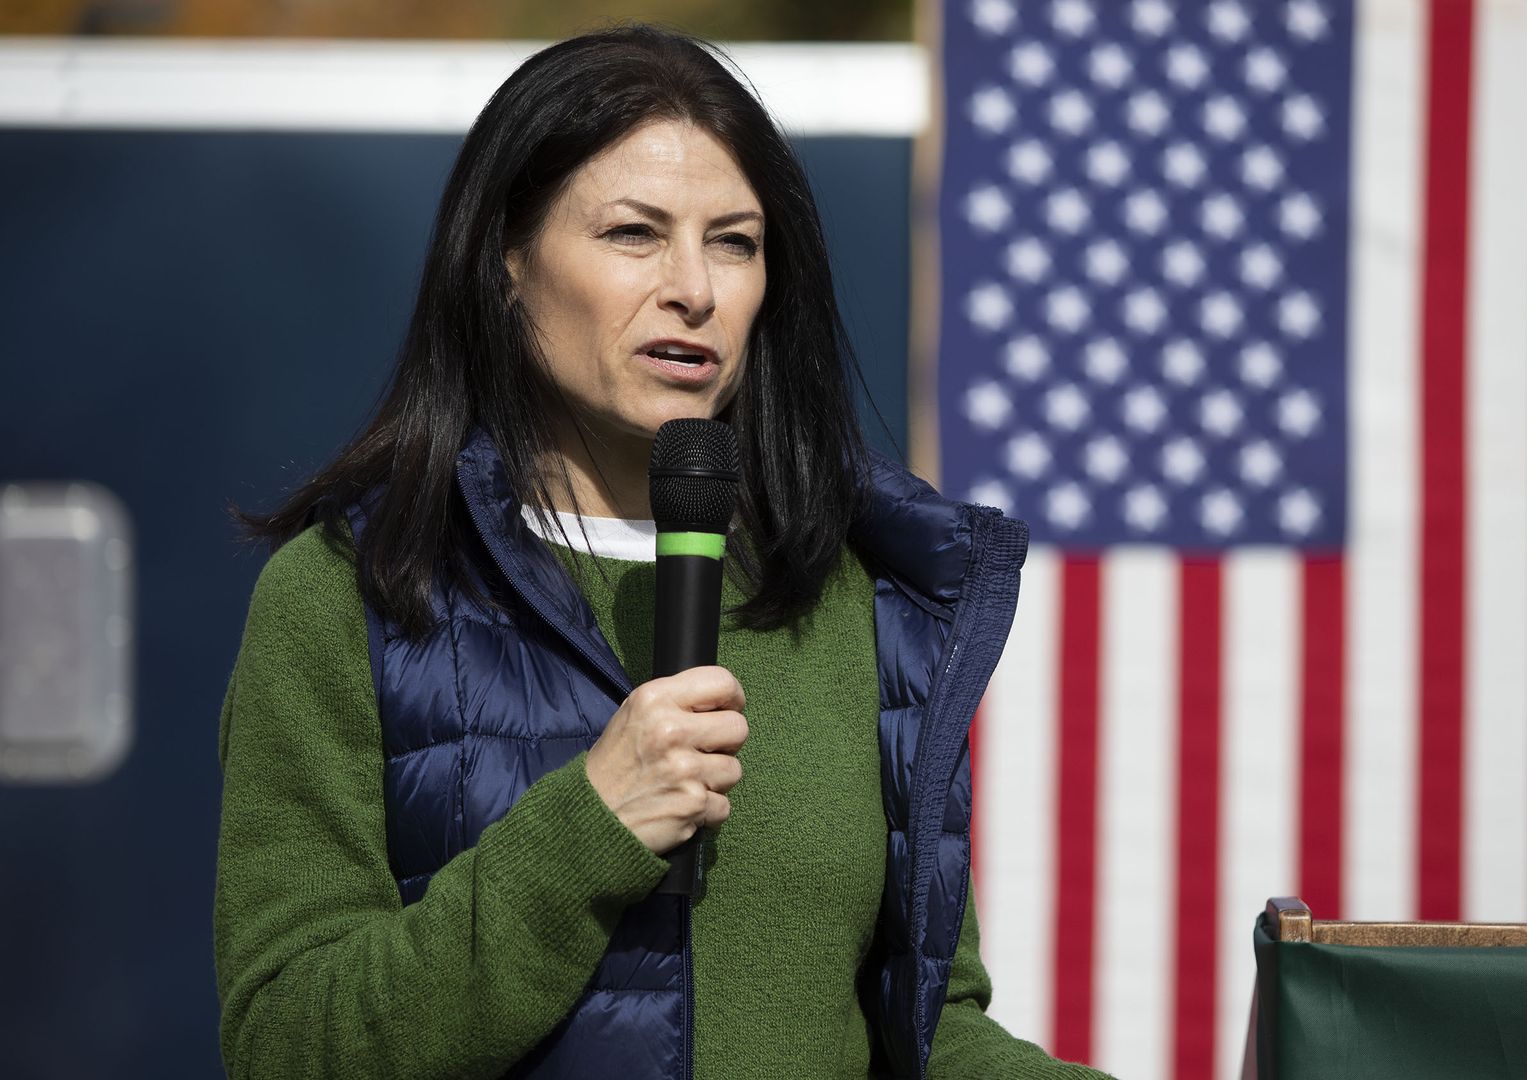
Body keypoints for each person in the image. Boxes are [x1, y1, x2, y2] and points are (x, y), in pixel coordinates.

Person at [212, 24, 1113, 1080]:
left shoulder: (857, 603)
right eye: (635, 233)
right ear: (506, 261)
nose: (696, 288)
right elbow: (288, 1044)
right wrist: (586, 830)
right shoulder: (347, 597)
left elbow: (929, 1035)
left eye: (734, 241)